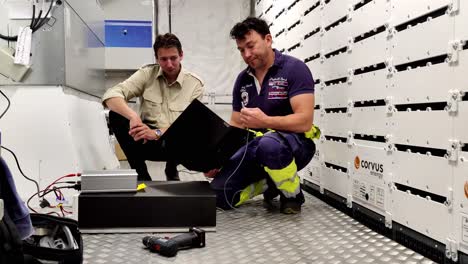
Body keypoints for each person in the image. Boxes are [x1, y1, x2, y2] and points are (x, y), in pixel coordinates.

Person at [205, 17, 319, 214]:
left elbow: (305, 122)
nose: (247, 54)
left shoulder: (294, 69)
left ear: (268, 39)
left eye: (250, 46)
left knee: (269, 144)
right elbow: (236, 126)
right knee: (218, 195)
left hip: (294, 146)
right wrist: (219, 161)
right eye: (241, 50)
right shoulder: (243, 80)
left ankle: (292, 196)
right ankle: (270, 184)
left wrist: (265, 121)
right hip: (256, 148)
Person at [102, 33, 204, 181]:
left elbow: (188, 125)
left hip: (177, 144)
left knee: (193, 130)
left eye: (173, 58)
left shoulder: (195, 84)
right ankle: (142, 175)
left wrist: (156, 133)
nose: (169, 64)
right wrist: (133, 116)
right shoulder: (147, 74)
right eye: (163, 59)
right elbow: (110, 95)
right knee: (116, 116)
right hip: (147, 142)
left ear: (181, 55)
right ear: (157, 59)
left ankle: (172, 167)